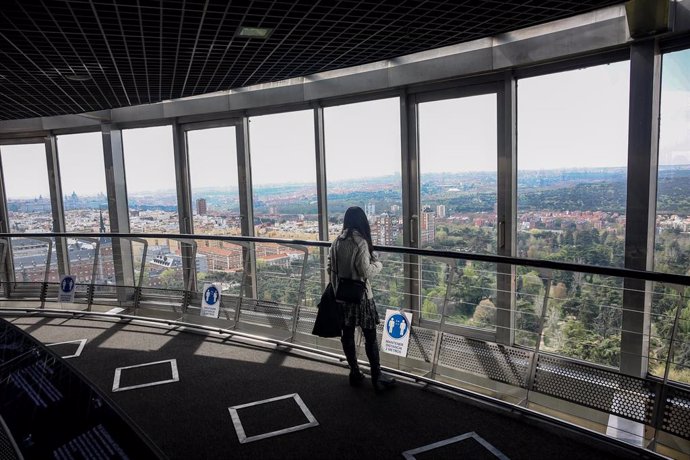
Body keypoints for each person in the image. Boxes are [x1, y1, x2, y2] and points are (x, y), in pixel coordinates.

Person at [328, 206, 396, 392]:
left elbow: (330, 268)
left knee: (347, 336)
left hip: (342, 297)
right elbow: (365, 271)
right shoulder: (361, 243)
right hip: (361, 297)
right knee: (370, 337)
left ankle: (355, 372)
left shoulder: (336, 242)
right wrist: (378, 264)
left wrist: (336, 288)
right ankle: (377, 376)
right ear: (362, 221)